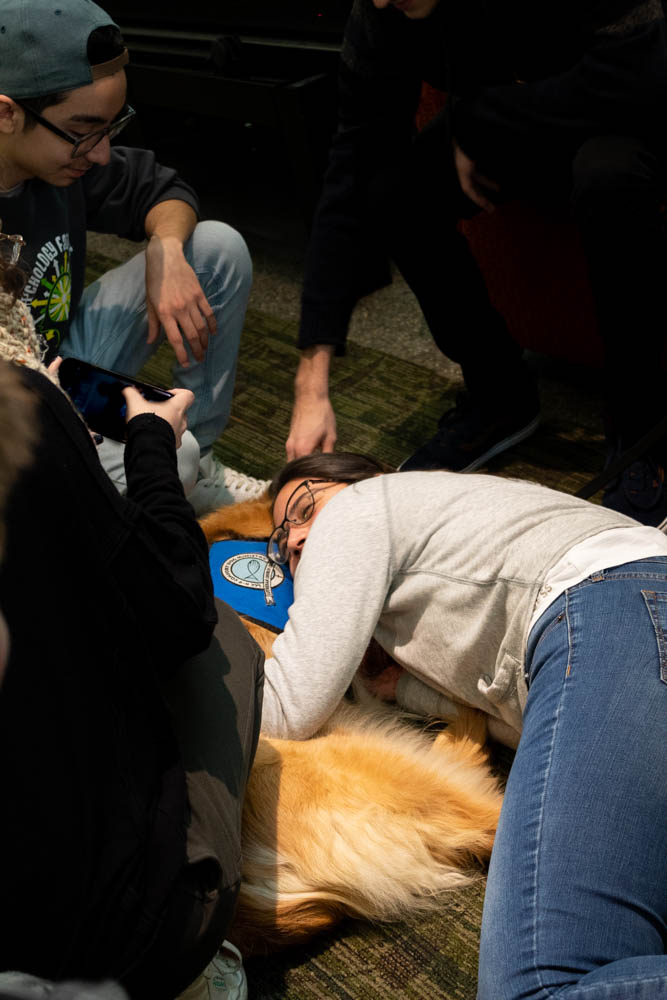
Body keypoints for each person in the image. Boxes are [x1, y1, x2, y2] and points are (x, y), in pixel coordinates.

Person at [259, 449, 667, 998]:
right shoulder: (463, 540)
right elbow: (523, 709)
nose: (296, 539)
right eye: (281, 537)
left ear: (363, 480)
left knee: (543, 985)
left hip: (614, 610)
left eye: (305, 507)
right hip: (629, 623)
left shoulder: (358, 509)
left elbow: (288, 708)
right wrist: (400, 687)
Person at [287, 0, 667, 526]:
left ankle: (641, 430)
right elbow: (353, 164)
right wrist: (313, 375)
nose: (379, 2)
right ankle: (500, 395)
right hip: (520, 114)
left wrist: (479, 118)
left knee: (607, 175)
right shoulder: (380, 14)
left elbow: (640, 76)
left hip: (630, 111)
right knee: (393, 191)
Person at [0, 259, 263, 999]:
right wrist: (148, 438)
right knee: (223, 644)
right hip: (118, 933)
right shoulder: (19, 412)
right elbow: (177, 613)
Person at [0, 0, 265, 515]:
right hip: (10, 411)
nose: (100, 153)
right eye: (82, 131)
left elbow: (162, 189)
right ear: (6, 113)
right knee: (169, 455)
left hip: (56, 363)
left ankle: (200, 459)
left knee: (214, 249)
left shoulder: (60, 159)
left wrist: (165, 251)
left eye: (109, 127)